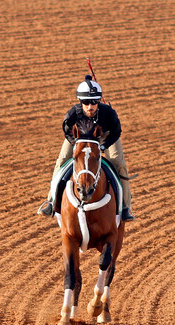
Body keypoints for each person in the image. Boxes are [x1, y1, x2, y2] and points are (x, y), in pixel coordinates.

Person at [37, 76, 135, 221]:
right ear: (80, 102)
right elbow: (67, 131)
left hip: (105, 137)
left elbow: (116, 132)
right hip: (79, 139)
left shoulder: (109, 113)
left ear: (99, 102)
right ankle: (51, 202)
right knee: (62, 160)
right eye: (86, 102)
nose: (90, 106)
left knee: (119, 164)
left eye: (94, 102)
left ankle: (126, 207)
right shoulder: (72, 114)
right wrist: (77, 145)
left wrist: (102, 146)